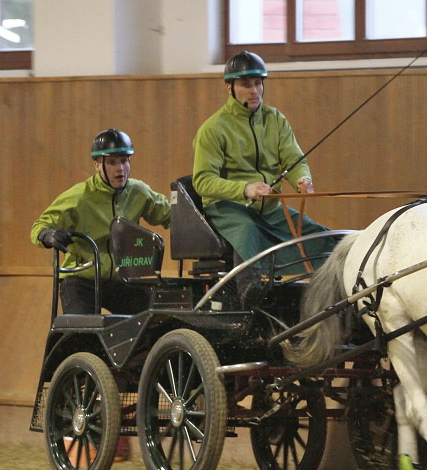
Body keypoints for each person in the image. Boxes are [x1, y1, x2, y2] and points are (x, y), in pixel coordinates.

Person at [192, 50, 333, 287]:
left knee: (323, 238)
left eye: (258, 83)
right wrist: (245, 189)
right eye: (246, 84)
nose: (254, 90)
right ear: (229, 87)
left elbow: (294, 160)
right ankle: (249, 292)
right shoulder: (213, 129)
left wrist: (302, 180)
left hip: (270, 208)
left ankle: (325, 291)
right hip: (228, 208)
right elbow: (203, 181)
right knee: (246, 233)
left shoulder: (275, 119)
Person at [31, 129, 171, 315]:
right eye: (112, 162)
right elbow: (39, 227)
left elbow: (170, 215)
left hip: (123, 280)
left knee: (157, 320)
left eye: (124, 160)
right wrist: (48, 235)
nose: (120, 168)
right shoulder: (79, 196)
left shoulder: (139, 192)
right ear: (97, 165)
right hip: (82, 280)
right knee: (83, 333)